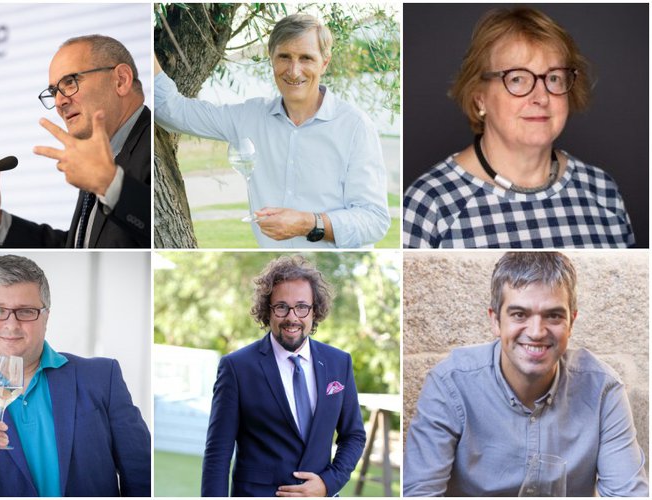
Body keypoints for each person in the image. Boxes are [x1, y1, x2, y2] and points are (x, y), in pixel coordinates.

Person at [403, 252, 648, 496]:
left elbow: (628, 494)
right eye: (519, 314)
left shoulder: (603, 390)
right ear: (496, 321)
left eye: (553, 315)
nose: (536, 332)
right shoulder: (449, 385)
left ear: (571, 322)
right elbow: (420, 492)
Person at [0, 255, 151, 496]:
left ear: (45, 318)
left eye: (26, 311)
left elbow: (142, 474)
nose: (12, 325)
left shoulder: (102, 377)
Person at [402, 7, 634, 248]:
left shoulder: (602, 190)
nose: (541, 97)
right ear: (480, 96)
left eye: (553, 78)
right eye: (517, 79)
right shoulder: (430, 204)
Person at [154, 13, 390, 248]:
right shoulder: (249, 117)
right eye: (284, 57)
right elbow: (172, 110)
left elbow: (374, 220)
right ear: (271, 58)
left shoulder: (355, 127)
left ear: (324, 63)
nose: (294, 71)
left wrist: (307, 223)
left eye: (306, 58)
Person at [0, 35, 151, 248]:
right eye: (53, 92)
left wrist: (109, 183)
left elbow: (160, 230)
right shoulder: (101, 155)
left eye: (70, 82)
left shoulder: (153, 144)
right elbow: (80, 246)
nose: (60, 101)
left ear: (121, 80)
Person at [201, 256, 366, 496]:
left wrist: (328, 483)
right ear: (266, 310)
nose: (292, 317)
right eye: (281, 307)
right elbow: (218, 452)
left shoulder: (339, 363)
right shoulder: (236, 367)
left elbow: (353, 435)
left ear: (314, 310)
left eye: (302, 307)